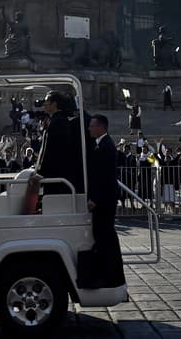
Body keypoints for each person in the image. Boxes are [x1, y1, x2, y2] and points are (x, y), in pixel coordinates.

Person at [83, 114, 125, 288]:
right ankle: (109, 273)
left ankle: (111, 275)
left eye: (92, 126)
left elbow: (105, 177)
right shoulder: (100, 144)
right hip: (104, 199)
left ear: (101, 127)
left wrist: (95, 199)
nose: (89, 128)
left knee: (104, 236)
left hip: (104, 201)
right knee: (104, 236)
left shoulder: (106, 146)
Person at [36, 90, 84, 196]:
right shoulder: (59, 120)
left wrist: (40, 171)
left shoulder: (57, 122)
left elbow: (50, 149)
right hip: (59, 173)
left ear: (54, 104)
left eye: (46, 102)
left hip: (56, 174)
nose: (44, 105)